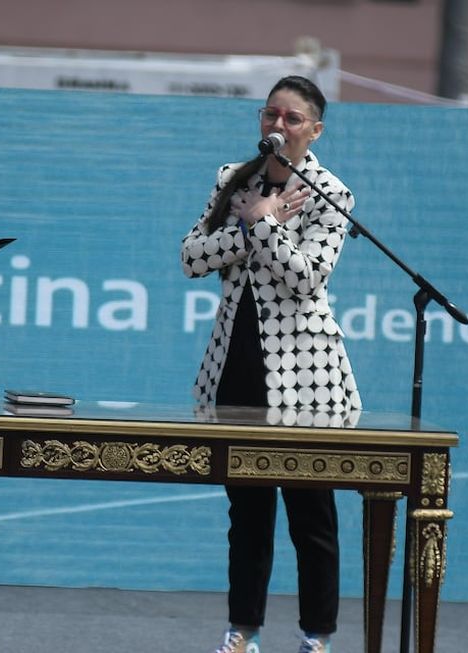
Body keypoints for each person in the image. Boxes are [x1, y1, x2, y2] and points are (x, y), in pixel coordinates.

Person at [180, 75, 362, 653]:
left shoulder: (333, 193)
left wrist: (260, 223)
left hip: (306, 373)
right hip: (237, 363)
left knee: (312, 514)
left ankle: (317, 636)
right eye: (269, 115)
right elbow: (190, 256)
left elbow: (307, 277)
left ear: (314, 130)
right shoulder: (232, 179)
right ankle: (243, 631)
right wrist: (257, 219)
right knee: (248, 509)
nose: (276, 127)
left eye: (290, 119)